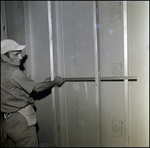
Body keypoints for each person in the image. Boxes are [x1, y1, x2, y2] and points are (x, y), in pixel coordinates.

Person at [1, 39, 65, 147]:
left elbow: (16, 91)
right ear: (4, 57)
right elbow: (37, 88)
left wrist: (45, 84)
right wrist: (55, 82)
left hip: (9, 120)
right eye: (16, 54)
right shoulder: (14, 73)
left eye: (20, 53)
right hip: (21, 120)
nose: (20, 57)